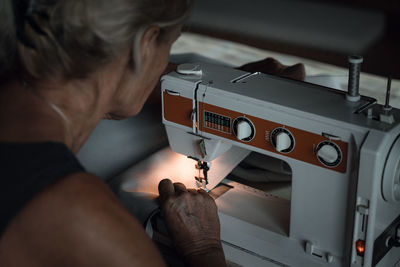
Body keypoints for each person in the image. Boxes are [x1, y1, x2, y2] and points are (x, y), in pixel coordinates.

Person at [0, 1, 305, 266]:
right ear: (146, 44)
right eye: (170, 46)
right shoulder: (84, 219)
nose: (168, 62)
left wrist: (226, 84)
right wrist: (204, 250)